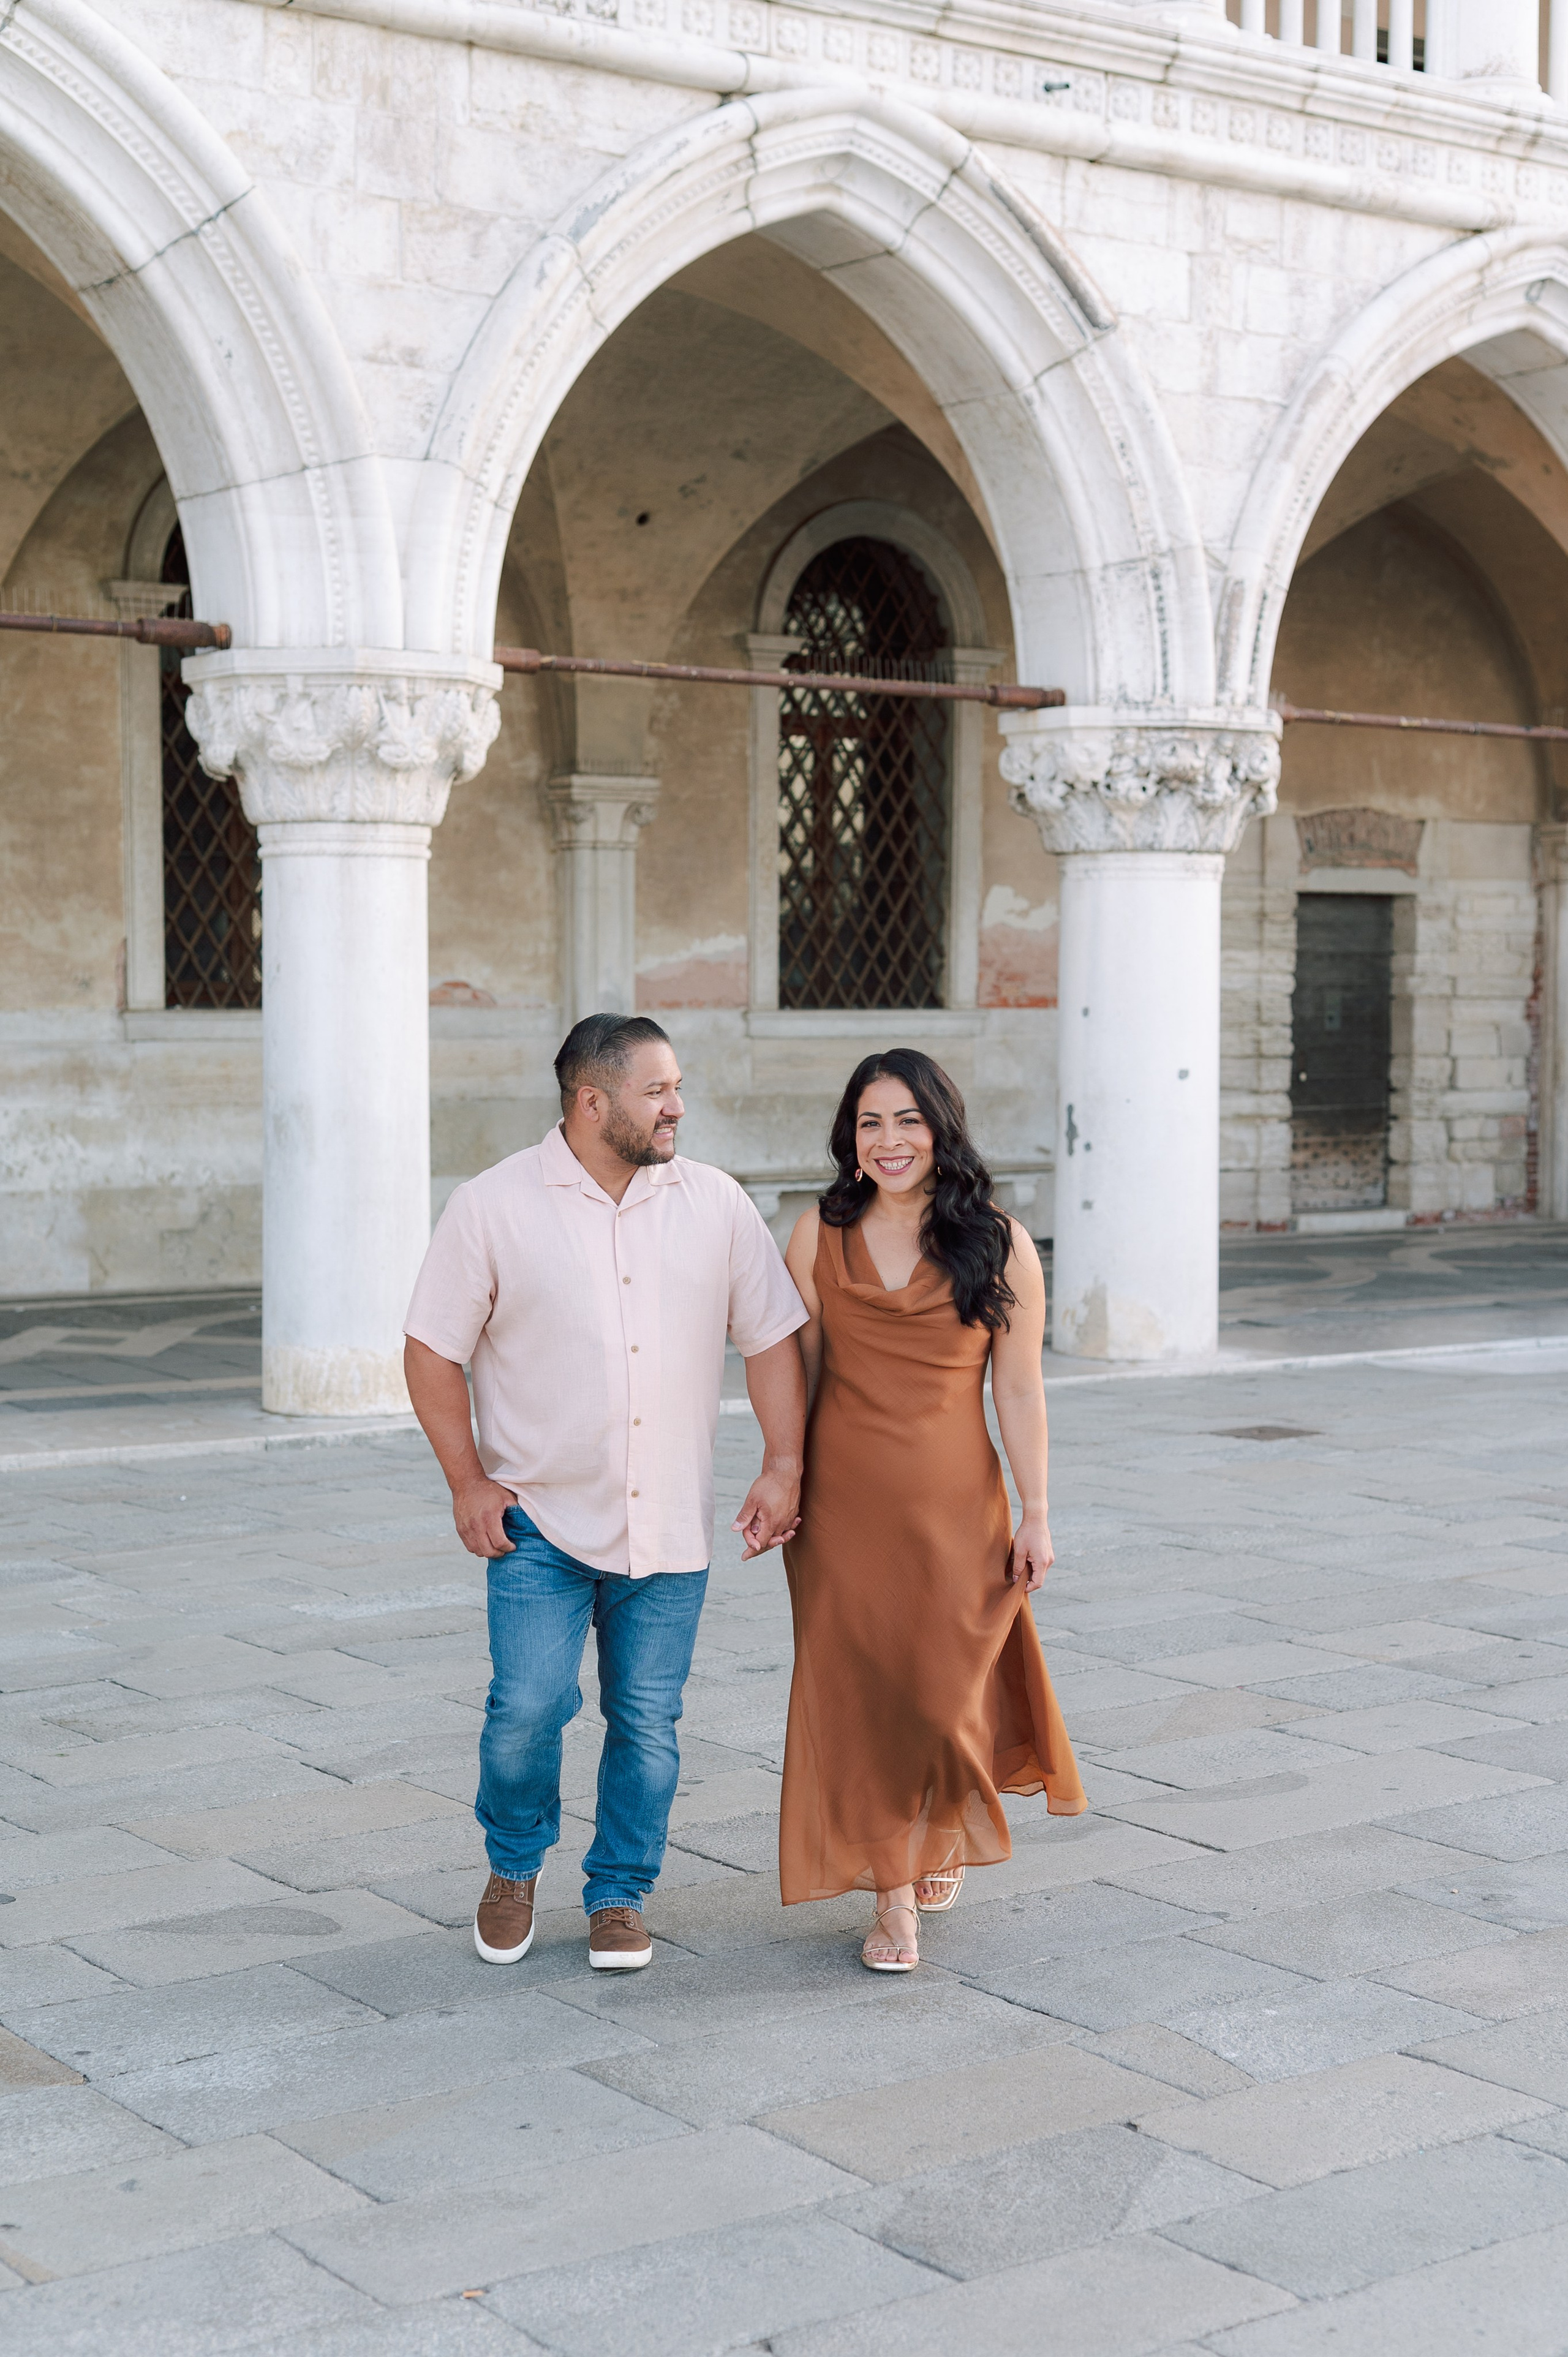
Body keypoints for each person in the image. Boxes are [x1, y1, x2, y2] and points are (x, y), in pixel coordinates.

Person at [404, 1013, 807, 1972]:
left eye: (676, 1087)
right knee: (527, 1711)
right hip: (536, 1521)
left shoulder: (714, 1203)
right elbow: (431, 1349)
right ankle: (513, 1866)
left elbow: (774, 1340)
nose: (677, 1107)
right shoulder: (493, 1205)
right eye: (656, 1090)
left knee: (648, 1724)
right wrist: (466, 1481)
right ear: (593, 1102)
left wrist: (783, 1463)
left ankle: (620, 1892)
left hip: (668, 1522)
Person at [779, 1047, 1085, 1970]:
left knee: (943, 1695)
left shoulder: (999, 1243)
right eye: (870, 1122)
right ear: (852, 1137)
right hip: (844, 1515)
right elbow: (801, 1378)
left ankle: (936, 1831)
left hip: (959, 1511)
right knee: (865, 1697)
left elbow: (1021, 1393)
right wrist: (782, 1477)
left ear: (940, 1127)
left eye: (907, 1120)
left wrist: (1036, 1512)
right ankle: (894, 1900)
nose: (889, 1140)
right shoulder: (814, 1238)